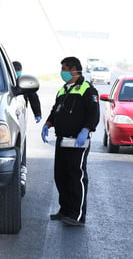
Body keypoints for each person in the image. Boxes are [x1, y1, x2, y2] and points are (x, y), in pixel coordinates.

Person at [41, 56, 100, 226]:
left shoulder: (87, 89)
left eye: (64, 69)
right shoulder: (64, 89)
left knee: (76, 176)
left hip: (77, 141)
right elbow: (56, 109)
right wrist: (48, 123)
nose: (62, 73)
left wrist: (86, 130)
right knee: (61, 176)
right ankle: (65, 210)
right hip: (62, 140)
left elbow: (94, 114)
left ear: (74, 70)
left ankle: (77, 215)